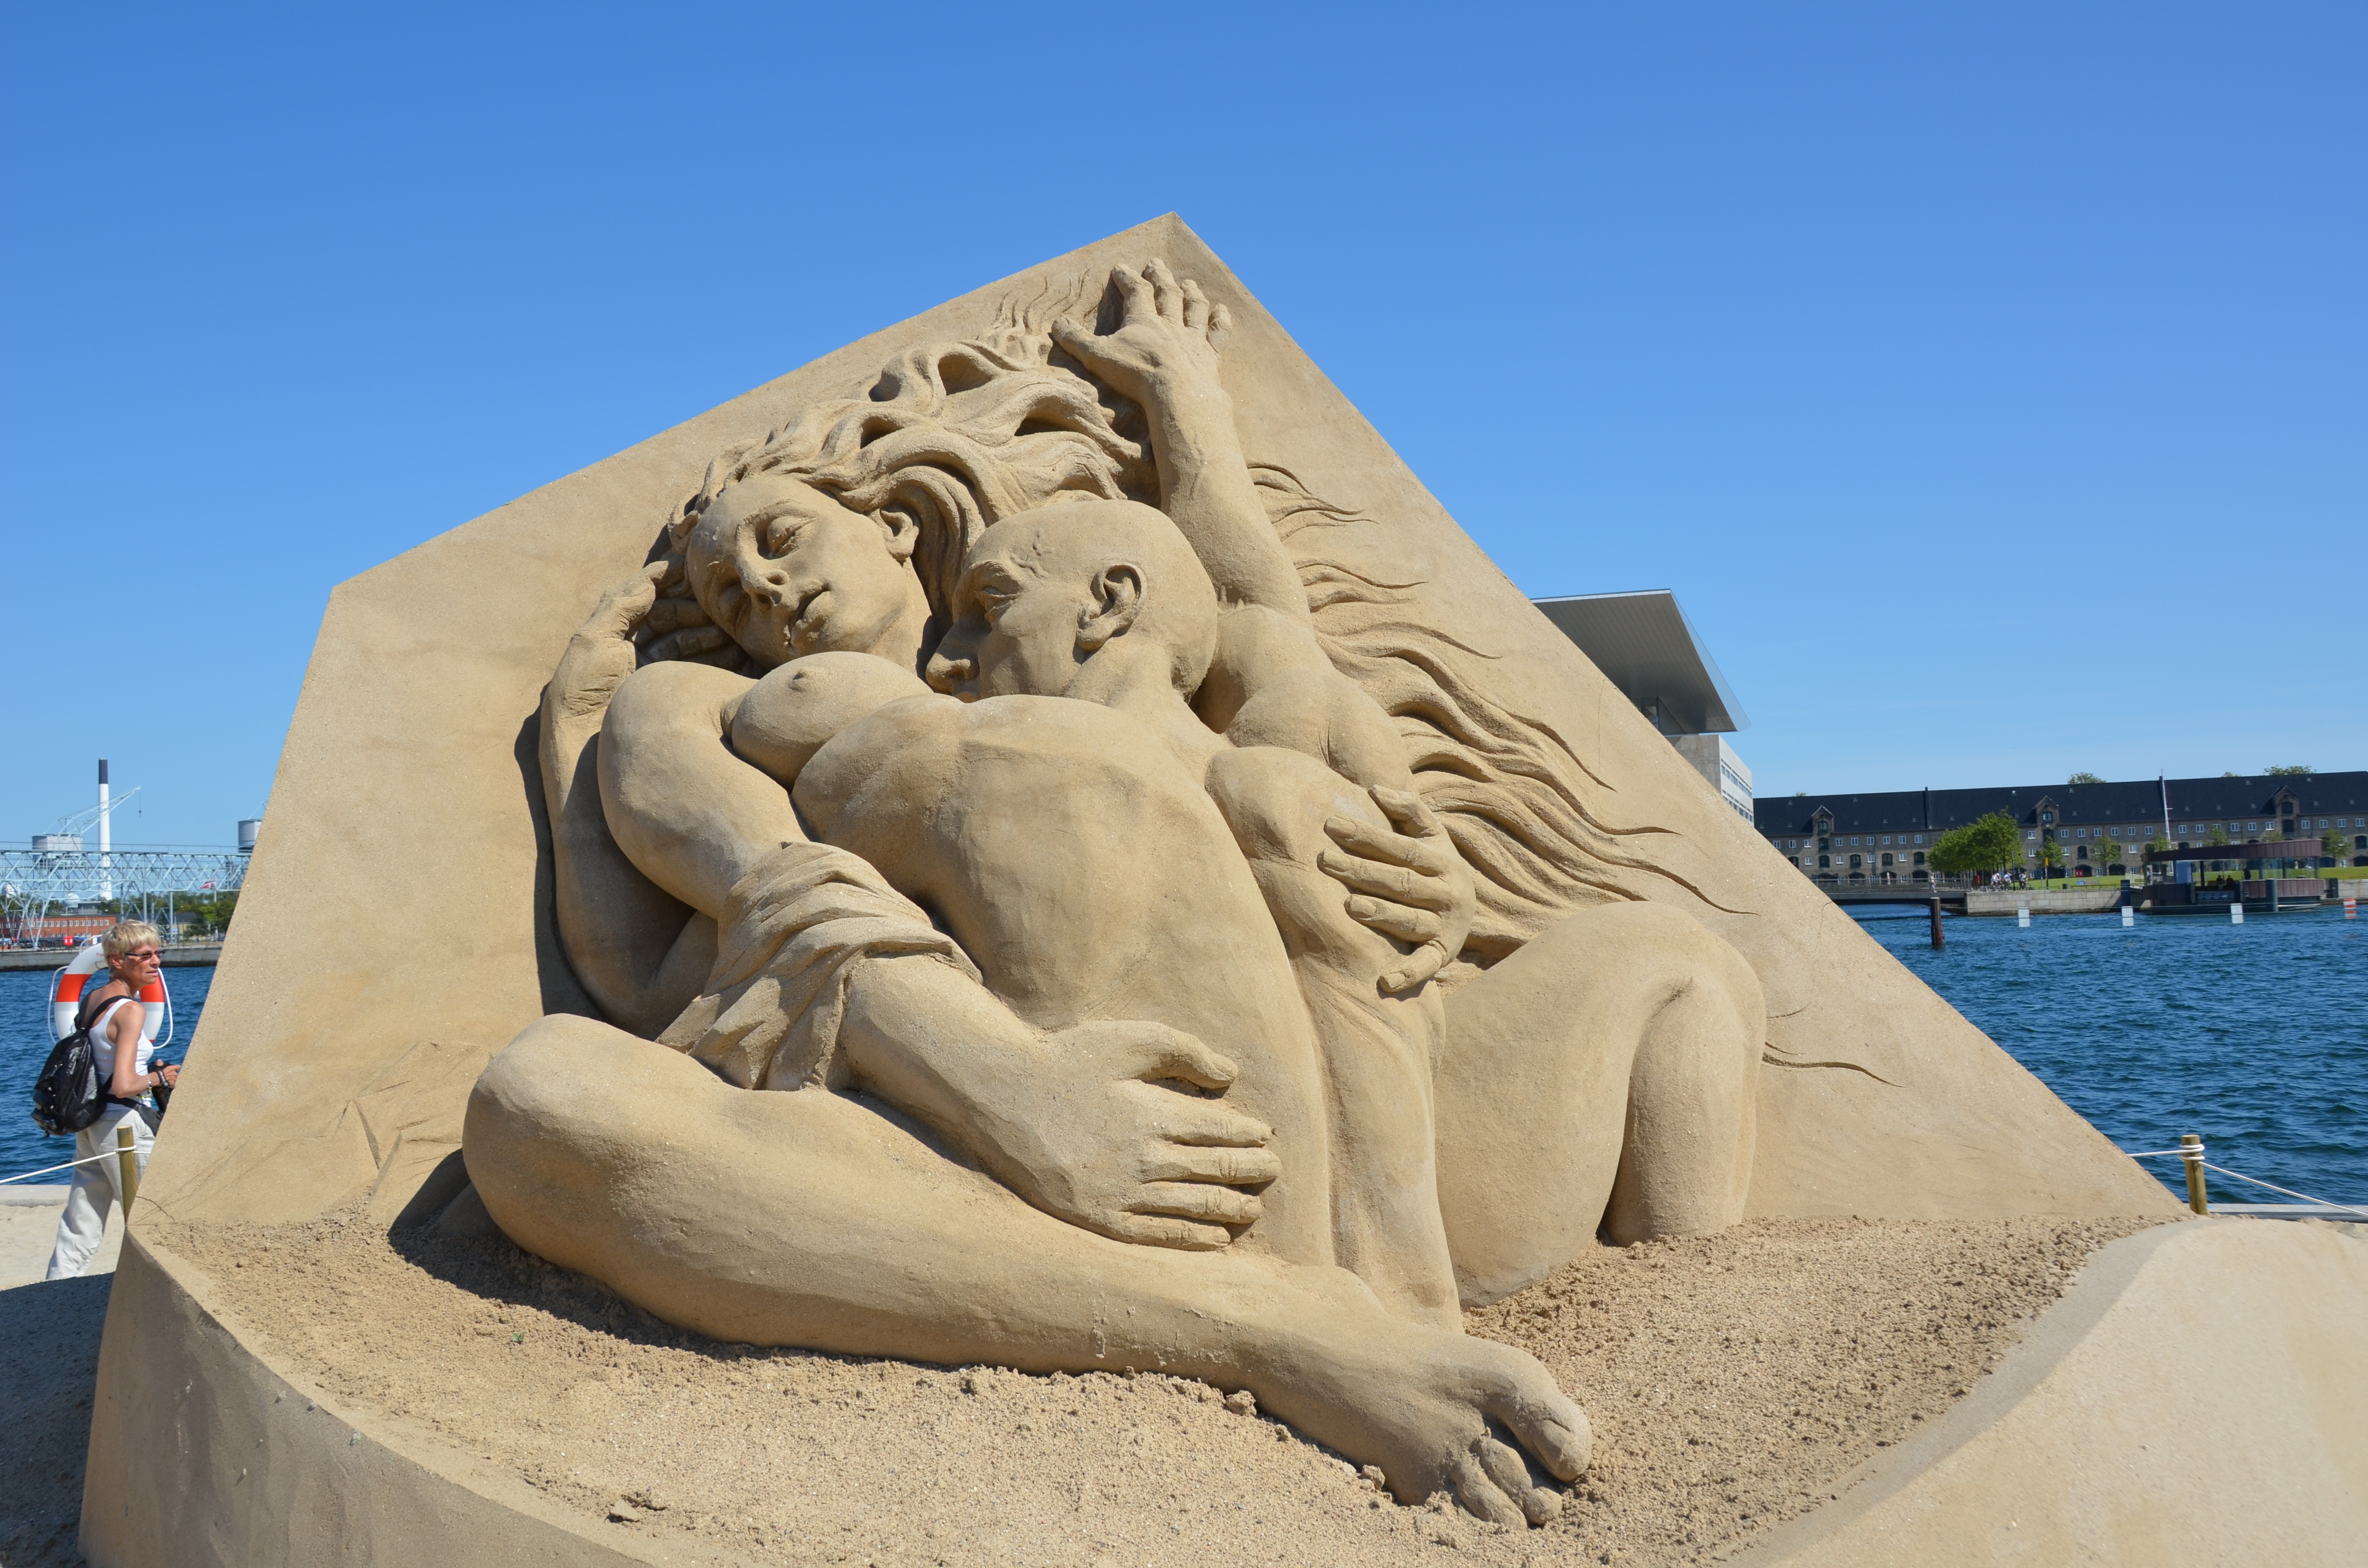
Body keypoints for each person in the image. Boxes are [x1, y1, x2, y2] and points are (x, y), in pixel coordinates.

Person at [45, 921, 179, 1280]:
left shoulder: (93, 999)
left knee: (81, 1220)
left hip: (92, 1123)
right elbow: (123, 1085)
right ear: (118, 960)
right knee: (149, 1217)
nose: (156, 962)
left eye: (158, 953)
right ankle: (152, 1293)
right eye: (145, 956)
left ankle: (57, 1291)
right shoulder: (131, 1011)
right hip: (123, 1126)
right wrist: (160, 1078)